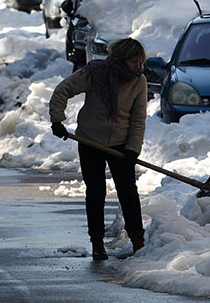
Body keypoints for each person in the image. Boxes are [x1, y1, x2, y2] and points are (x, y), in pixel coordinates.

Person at [48, 38, 147, 260]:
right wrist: (57, 120)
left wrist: (133, 149)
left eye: (141, 62)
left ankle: (138, 241)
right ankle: (97, 243)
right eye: (134, 62)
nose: (139, 67)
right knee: (96, 192)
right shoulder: (94, 74)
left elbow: (138, 119)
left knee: (128, 192)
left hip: (121, 144)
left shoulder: (138, 81)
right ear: (121, 60)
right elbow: (63, 89)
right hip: (90, 140)